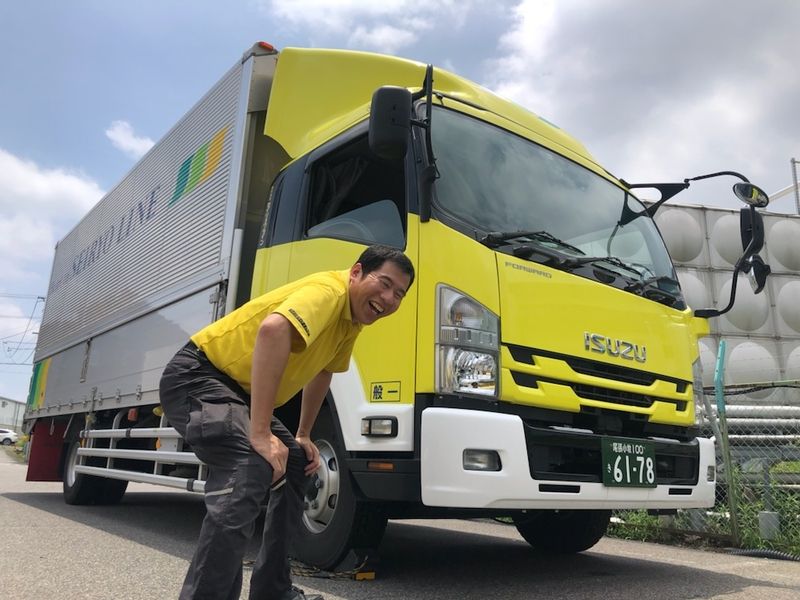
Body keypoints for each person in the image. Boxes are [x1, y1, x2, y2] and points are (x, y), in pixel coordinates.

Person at [159, 245, 414, 600]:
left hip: (237, 393)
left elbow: (324, 371)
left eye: (399, 294)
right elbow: (273, 330)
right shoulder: (328, 293)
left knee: (297, 461)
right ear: (356, 272)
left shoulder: (351, 321)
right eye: (384, 284)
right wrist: (260, 433)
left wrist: (303, 434)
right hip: (199, 376)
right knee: (250, 462)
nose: (388, 298)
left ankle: (272, 591)